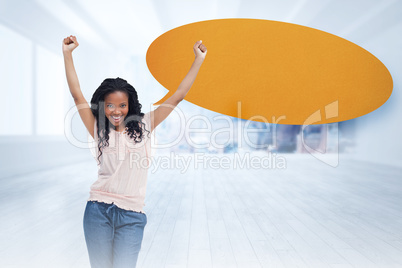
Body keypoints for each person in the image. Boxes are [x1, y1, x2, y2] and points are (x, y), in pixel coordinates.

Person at [62, 35, 207, 268]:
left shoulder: (145, 124)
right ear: (103, 106)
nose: (116, 111)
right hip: (98, 211)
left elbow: (178, 95)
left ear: (130, 106)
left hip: (132, 215)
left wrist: (198, 59)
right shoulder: (98, 128)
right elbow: (77, 94)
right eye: (110, 105)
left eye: (122, 105)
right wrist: (67, 55)